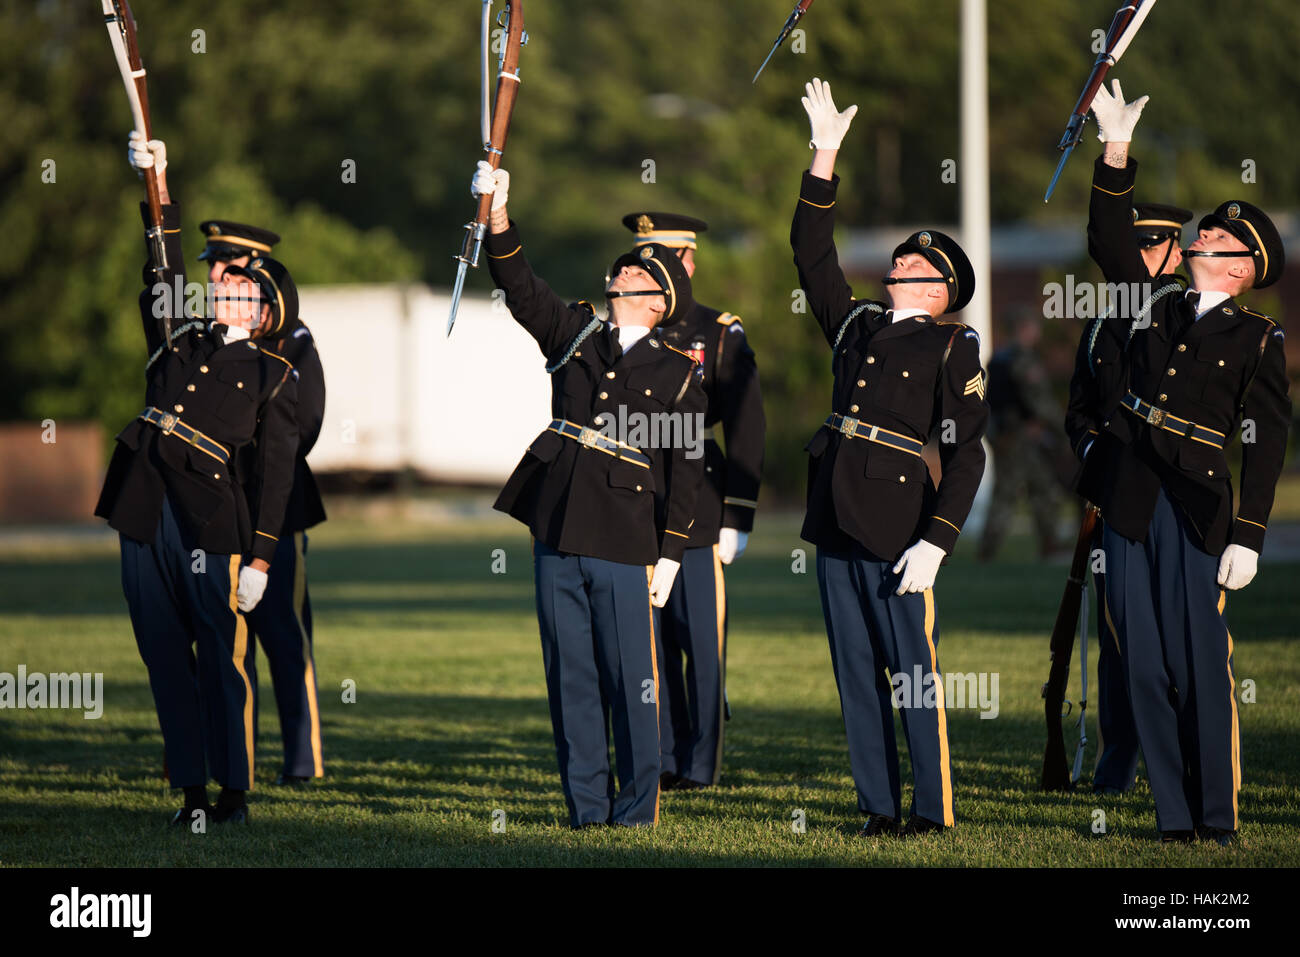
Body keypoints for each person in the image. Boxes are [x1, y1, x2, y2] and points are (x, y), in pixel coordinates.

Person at [1075, 81, 1290, 844]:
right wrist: (1116, 149)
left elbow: (1266, 436)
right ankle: (1174, 816)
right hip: (1132, 494)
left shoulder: (1257, 338)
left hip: (1199, 505)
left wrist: (1251, 533)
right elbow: (1107, 237)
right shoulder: (1151, 305)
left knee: (1199, 662)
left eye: (1215, 243)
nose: (1198, 242)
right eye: (1200, 237)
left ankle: (1216, 815)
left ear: (1240, 269)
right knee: (1140, 664)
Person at [470, 161, 707, 828]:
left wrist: (670, 553)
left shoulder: (678, 371)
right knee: (571, 680)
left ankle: (635, 810)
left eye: (637, 273)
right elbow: (518, 285)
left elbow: (685, 468)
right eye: (623, 268)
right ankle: (586, 806)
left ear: (660, 300)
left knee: (632, 680)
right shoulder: (574, 331)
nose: (622, 273)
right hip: (558, 526)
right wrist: (497, 214)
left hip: (627, 537)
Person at [789, 79, 989, 836]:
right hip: (838, 509)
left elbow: (965, 451)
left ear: (941, 290)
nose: (898, 265)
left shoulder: (950, 343)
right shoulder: (857, 325)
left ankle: (932, 811)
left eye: (913, 264)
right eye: (899, 259)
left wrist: (938, 539)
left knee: (912, 673)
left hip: (901, 522)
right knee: (855, 674)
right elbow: (812, 255)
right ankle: (878, 805)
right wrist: (824, 156)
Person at [95, 131, 301, 825]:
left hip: (212, 516)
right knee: (163, 655)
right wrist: (157, 190)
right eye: (225, 286)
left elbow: (275, 474)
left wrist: (265, 557)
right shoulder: (178, 338)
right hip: (144, 501)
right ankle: (190, 793)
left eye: (242, 289)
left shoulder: (276, 375)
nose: (225, 292)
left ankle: (234, 792)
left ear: (266, 309)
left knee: (220, 655)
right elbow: (162, 268)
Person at [621, 211, 766, 790]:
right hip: (633, 501)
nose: (650, 269)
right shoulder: (626, 326)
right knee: (649, 646)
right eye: (641, 258)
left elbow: (747, 425)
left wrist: (739, 512)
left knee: (700, 643)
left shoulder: (719, 331)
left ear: (688, 261)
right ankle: (661, 758)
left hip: (700, 504)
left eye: (663, 257)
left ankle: (700, 765)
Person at [1066, 200, 1192, 796]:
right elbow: (1081, 412)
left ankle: (1194, 763)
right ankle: (1118, 760)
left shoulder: (1193, 315)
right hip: (1117, 495)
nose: (1137, 258)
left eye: (1148, 247)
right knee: (1120, 634)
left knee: (1184, 637)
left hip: (1176, 497)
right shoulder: (1100, 324)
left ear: (1174, 250)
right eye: (1131, 245)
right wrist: (1098, 460)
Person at [198, 222, 329, 786]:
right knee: (219, 641)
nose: (213, 275)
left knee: (283, 634)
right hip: (216, 505)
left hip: (278, 507)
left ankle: (303, 760)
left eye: (225, 265)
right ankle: (226, 758)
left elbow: (307, 426)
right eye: (212, 266)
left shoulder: (293, 340)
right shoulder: (207, 335)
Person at [978, 308, 1067, 561]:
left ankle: (989, 550)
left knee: (1015, 491)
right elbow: (1040, 402)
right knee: (1039, 490)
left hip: (1003, 433)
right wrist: (1062, 431)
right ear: (1024, 328)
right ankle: (1048, 545)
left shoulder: (999, 358)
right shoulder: (1023, 359)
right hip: (1022, 436)